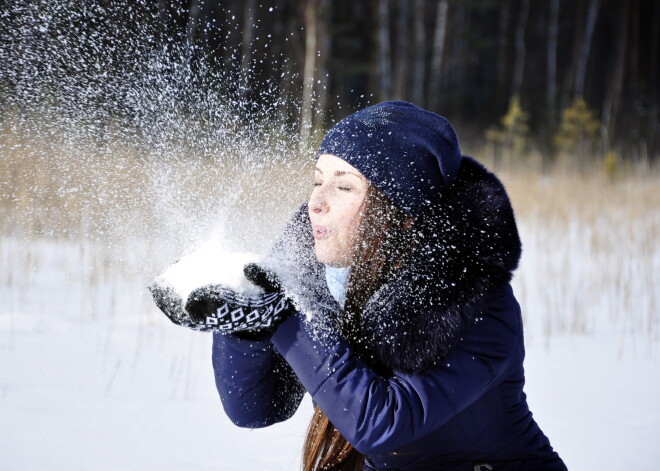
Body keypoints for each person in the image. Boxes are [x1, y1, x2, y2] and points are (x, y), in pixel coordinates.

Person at [152, 101, 567, 470]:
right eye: (317, 180)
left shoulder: (474, 305)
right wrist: (246, 321)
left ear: (404, 213)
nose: (317, 200)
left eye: (345, 185)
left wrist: (283, 319)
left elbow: (381, 423)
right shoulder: (321, 279)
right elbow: (255, 409)